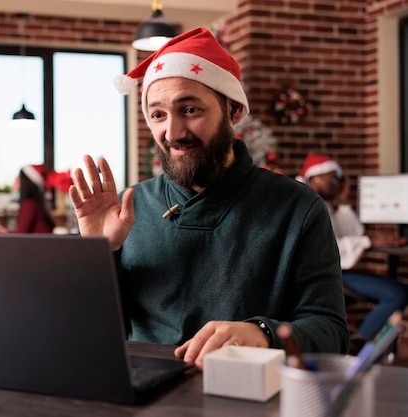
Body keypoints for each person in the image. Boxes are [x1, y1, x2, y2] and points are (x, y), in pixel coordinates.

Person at [68, 27, 350, 370]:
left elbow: (332, 334)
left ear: (232, 110)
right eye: (158, 114)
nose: (172, 133)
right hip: (143, 395)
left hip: (249, 394)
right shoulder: (128, 207)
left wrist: (261, 333)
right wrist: (99, 252)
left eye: (189, 110)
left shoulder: (298, 209)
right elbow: (87, 331)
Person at [297, 154, 408, 352]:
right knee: (397, 293)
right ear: (316, 178)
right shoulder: (305, 204)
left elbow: (354, 233)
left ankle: (360, 334)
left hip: (335, 270)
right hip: (320, 274)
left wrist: (343, 201)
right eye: (333, 178)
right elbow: (325, 248)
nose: (337, 183)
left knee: (398, 291)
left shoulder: (322, 203)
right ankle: (356, 346)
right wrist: (368, 241)